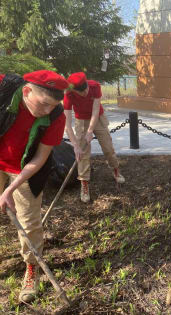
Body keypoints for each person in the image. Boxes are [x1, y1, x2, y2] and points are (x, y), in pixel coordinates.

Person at [0, 70, 68, 302]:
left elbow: (40, 158)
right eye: (44, 104)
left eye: (53, 105)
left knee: (29, 222)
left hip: (25, 170)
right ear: (27, 91)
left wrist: (10, 189)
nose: (48, 111)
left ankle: (31, 267)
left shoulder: (57, 114)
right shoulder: (4, 88)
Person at [63, 72, 125, 203]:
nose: (85, 92)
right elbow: (67, 124)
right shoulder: (68, 95)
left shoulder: (95, 86)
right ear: (73, 90)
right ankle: (84, 184)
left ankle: (116, 170)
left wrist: (90, 130)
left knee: (108, 148)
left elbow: (96, 110)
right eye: (81, 92)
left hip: (98, 119)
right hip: (81, 121)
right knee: (82, 155)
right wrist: (75, 146)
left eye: (85, 89)